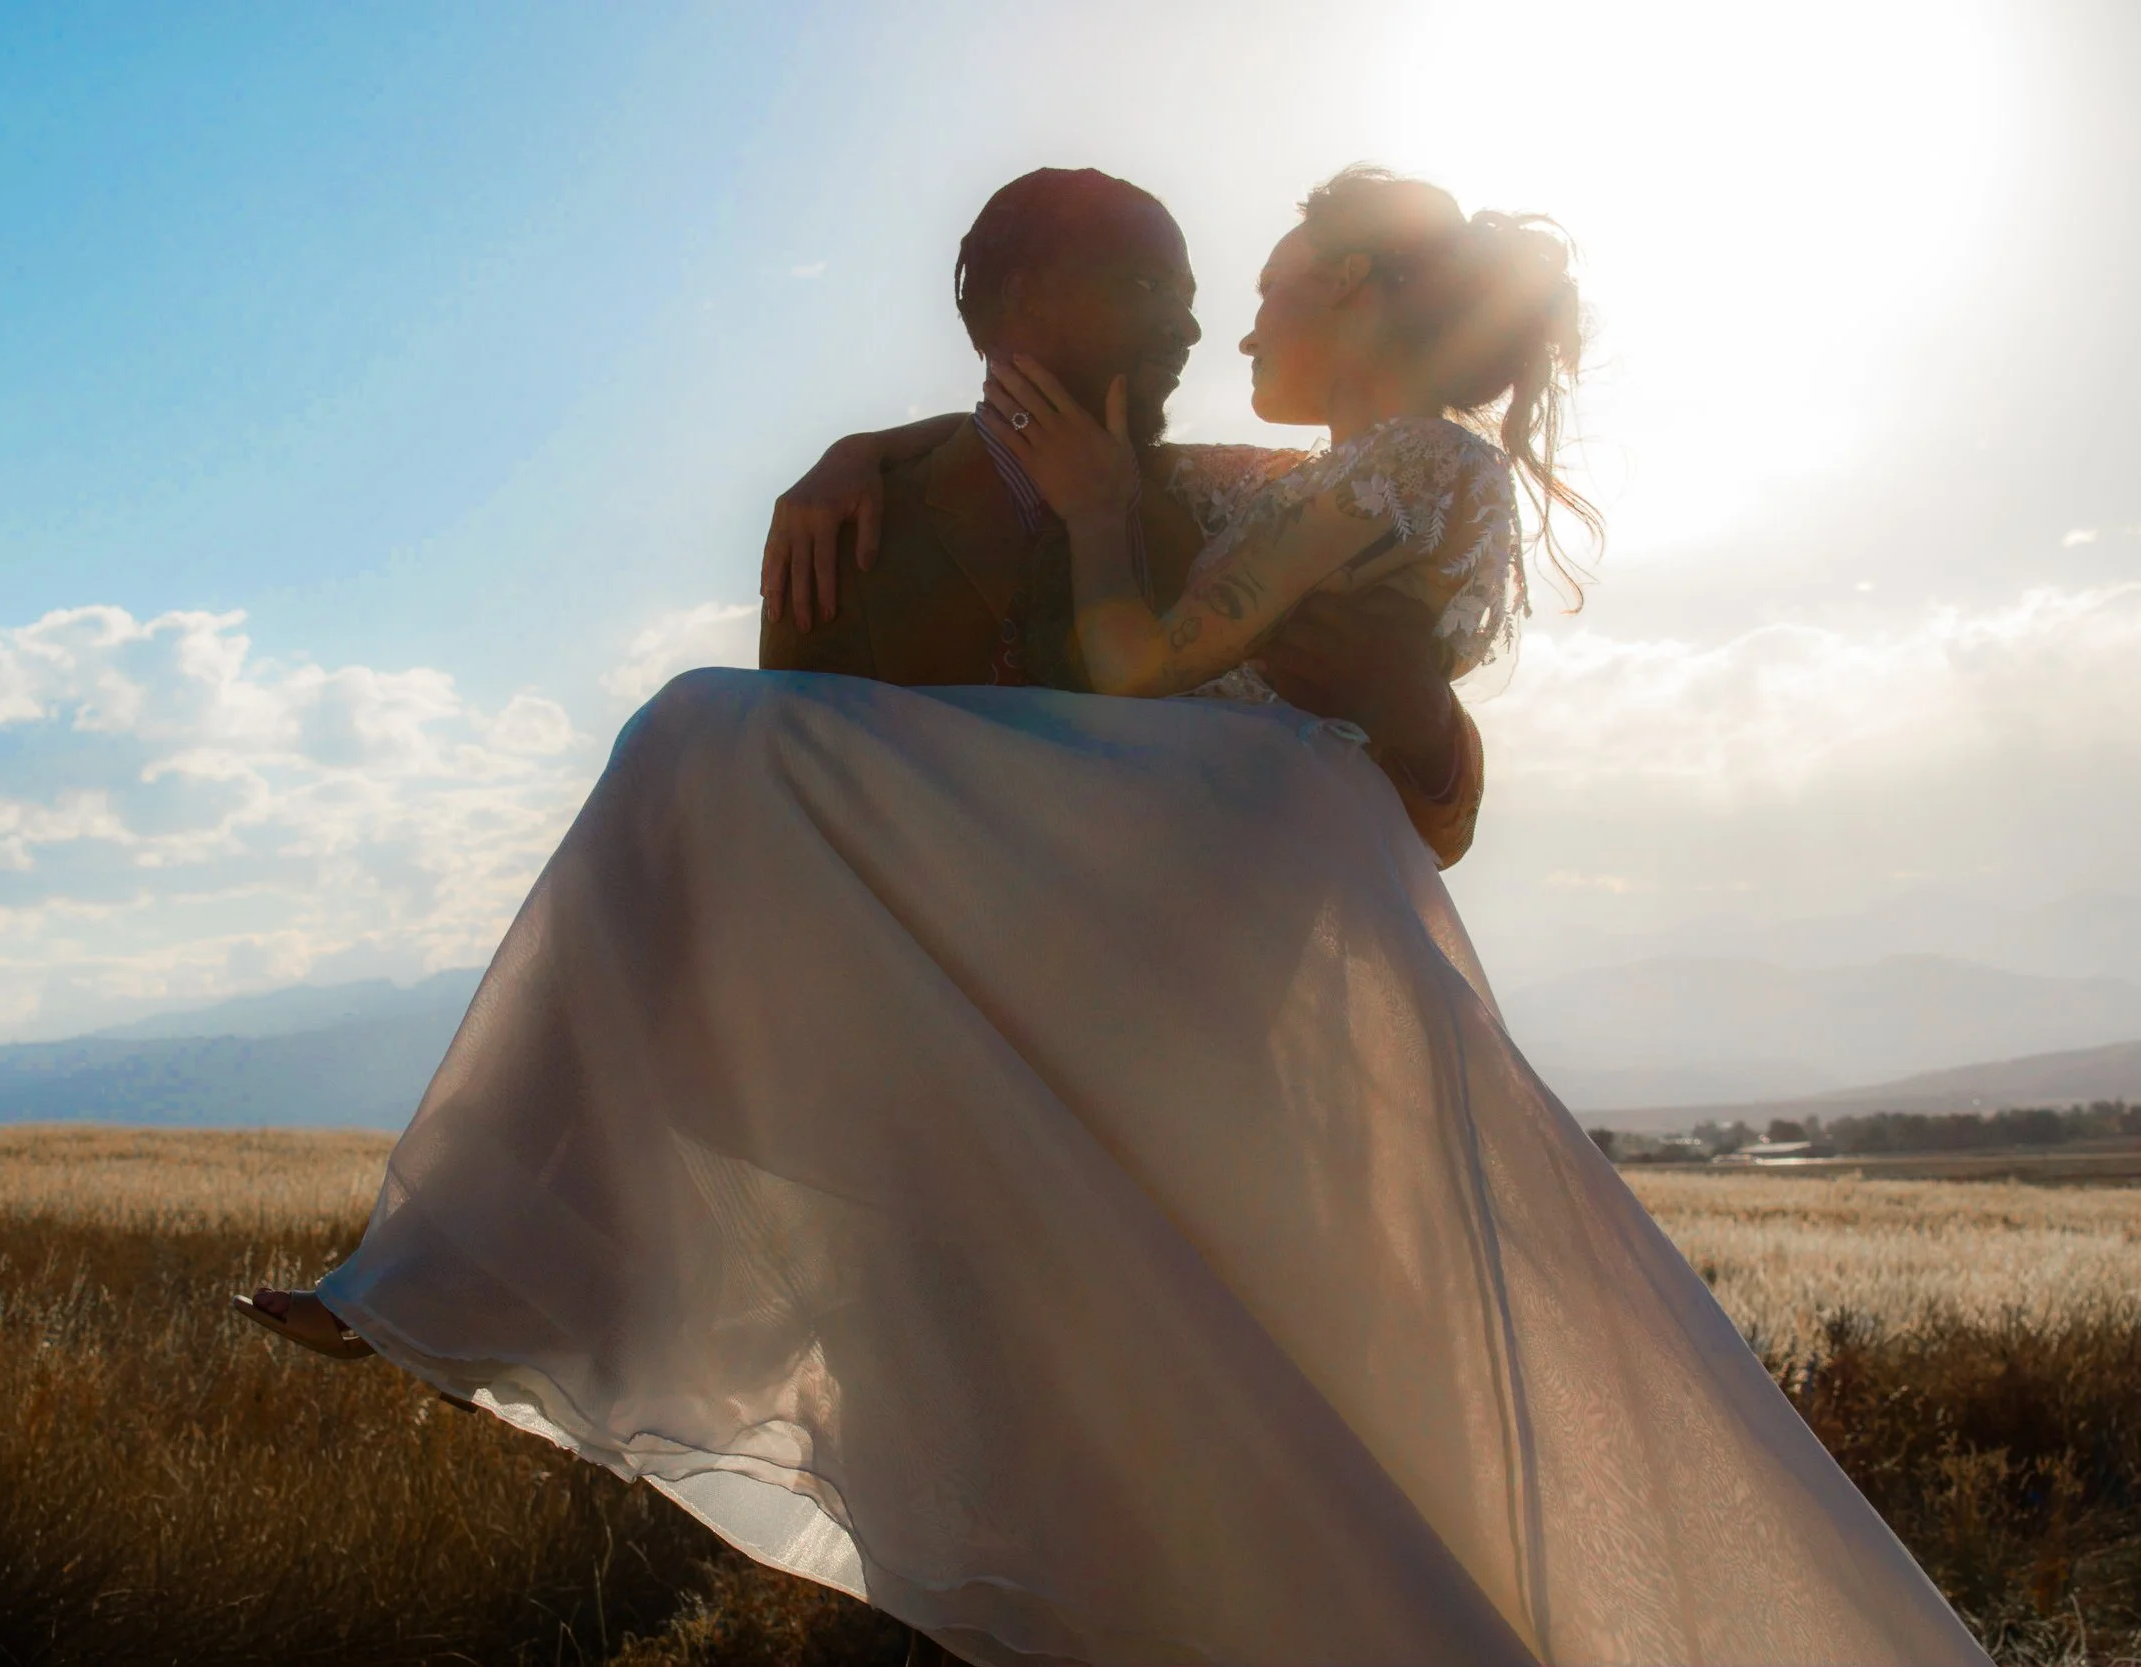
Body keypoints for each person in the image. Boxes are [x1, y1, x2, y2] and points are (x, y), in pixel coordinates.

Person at [238, 168, 1990, 1666]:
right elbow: (1024, 536)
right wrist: (866, 446)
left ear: (1357, 293)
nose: (1213, 325)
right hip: (1076, 977)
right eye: (1164, 297)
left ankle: (493, 1271)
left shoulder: (1304, 483)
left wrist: (1323, 665)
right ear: (1019, 316)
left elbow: (1282, 713)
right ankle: (501, 1264)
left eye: (1239, 291)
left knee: (1291, 1457)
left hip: (1206, 920)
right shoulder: (1081, 494)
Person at [759, 167, 1487, 866]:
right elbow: (794, 832)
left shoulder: (1237, 512)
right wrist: (862, 450)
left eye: (1188, 296)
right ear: (1026, 297)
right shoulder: (846, 539)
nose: (1191, 328)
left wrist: (1429, 731)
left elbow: (1425, 825)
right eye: (1148, 286)